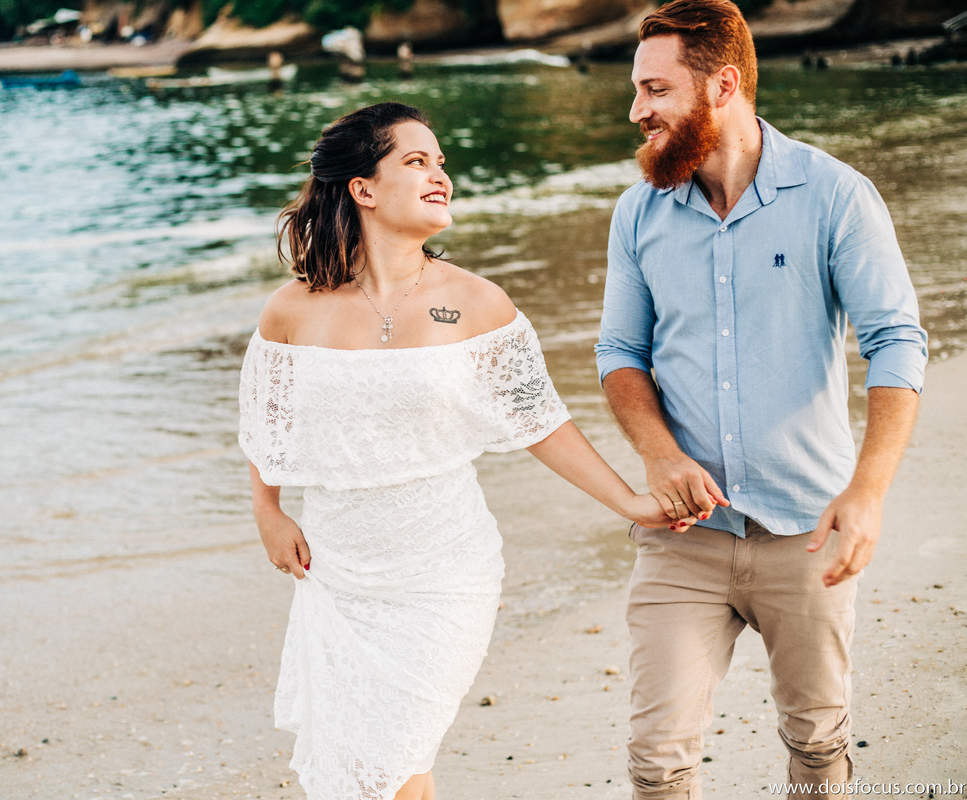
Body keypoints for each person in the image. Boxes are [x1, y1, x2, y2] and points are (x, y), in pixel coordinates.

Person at [239, 102, 682, 800]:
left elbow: (540, 421)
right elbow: (269, 422)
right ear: (363, 188)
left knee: (400, 749)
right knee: (359, 763)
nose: (440, 174)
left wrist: (629, 500)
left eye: (441, 161)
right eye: (417, 161)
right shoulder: (292, 310)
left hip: (446, 571)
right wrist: (266, 507)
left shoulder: (477, 303)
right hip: (340, 571)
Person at [594, 2, 928, 798]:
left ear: (723, 85)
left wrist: (868, 494)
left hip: (806, 531)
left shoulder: (835, 196)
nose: (637, 111)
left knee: (817, 742)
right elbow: (619, 353)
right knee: (656, 758)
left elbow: (896, 341)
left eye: (655, 89)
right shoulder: (639, 211)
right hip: (684, 536)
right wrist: (659, 453)